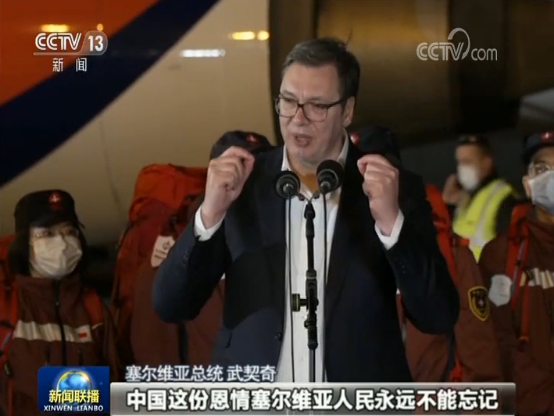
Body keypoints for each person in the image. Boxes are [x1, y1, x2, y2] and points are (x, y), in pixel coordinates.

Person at [153, 37, 459, 382]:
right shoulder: (242, 184)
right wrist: (209, 214)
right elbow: (171, 304)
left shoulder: (392, 187)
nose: (298, 119)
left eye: (316, 106)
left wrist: (392, 225)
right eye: (288, 101)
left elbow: (437, 316)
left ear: (347, 111)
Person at [0, 190, 120, 416]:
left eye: (69, 231)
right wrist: (87, 391)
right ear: (24, 243)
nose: (62, 242)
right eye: (46, 233)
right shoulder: (7, 305)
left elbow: (114, 388)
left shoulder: (93, 308)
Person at [480, 131, 554, 416]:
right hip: (529, 406)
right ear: (527, 184)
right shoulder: (502, 254)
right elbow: (496, 340)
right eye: (542, 169)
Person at [442, 135, 518, 260]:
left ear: (487, 162)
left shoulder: (503, 198)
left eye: (467, 162)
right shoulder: (465, 198)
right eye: (459, 162)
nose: (462, 168)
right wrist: (446, 206)